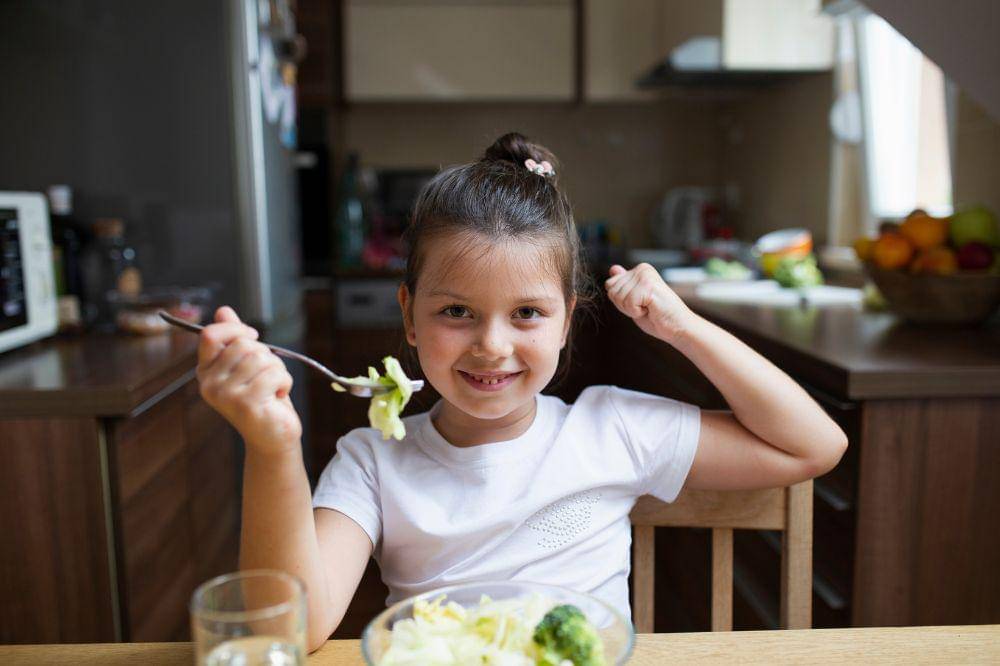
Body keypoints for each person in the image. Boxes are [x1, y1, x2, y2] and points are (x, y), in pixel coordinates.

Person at [196, 133, 847, 651]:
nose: (492, 346)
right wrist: (273, 444)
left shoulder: (611, 430)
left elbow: (813, 447)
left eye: (527, 315)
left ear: (567, 317)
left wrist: (683, 327)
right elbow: (292, 629)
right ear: (409, 316)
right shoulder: (373, 462)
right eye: (456, 312)